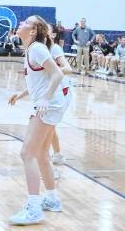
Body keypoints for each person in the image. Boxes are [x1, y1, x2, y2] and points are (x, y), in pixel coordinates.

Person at [7, 15, 68, 225]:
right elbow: (39, 80)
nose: (21, 24)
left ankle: (34, 209)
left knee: (27, 153)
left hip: (49, 105)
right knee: (41, 153)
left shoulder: (37, 48)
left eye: (26, 22)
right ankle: (51, 199)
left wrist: (45, 98)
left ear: (33, 31)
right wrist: (22, 94)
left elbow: (58, 74)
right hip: (50, 104)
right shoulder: (32, 49)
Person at [47, 25, 73, 170]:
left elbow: (68, 69)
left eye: (47, 29)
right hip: (50, 89)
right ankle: (56, 155)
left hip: (61, 90)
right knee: (49, 126)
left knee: (48, 125)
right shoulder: (41, 48)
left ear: (53, 35)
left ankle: (51, 159)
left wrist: (49, 70)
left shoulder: (55, 48)